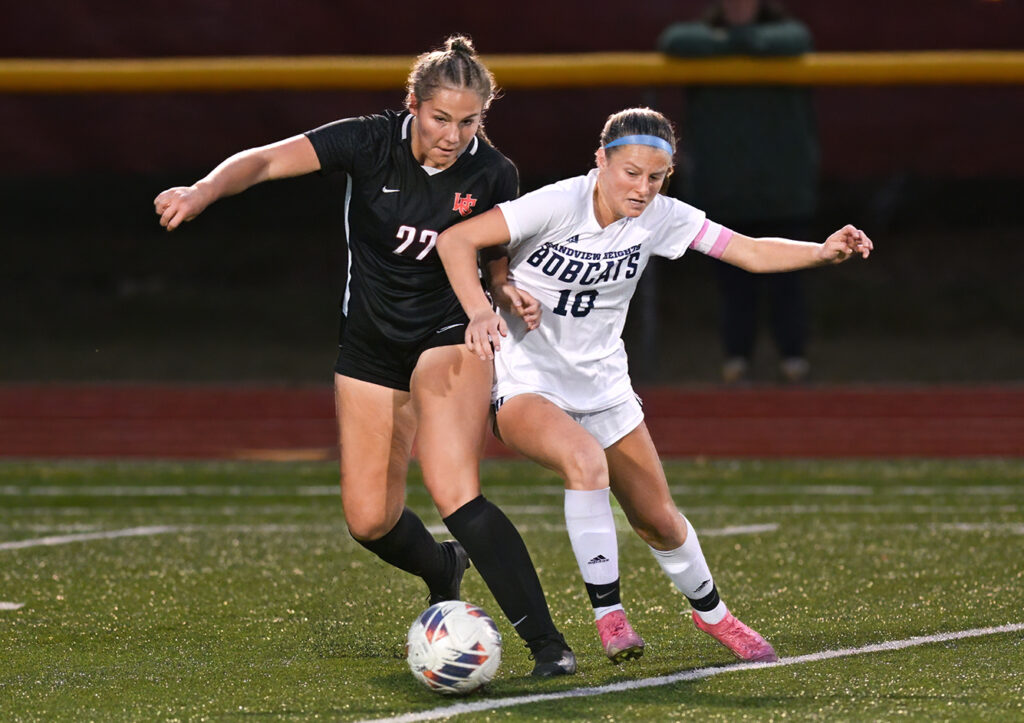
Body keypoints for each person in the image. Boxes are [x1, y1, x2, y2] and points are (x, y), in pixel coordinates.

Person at [153, 35, 576, 678]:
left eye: (469, 122)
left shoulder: (494, 173)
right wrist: (202, 191)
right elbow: (265, 161)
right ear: (412, 103)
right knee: (369, 518)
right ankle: (443, 568)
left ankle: (548, 646)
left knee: (455, 491)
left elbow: (493, 261)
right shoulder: (367, 141)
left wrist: (505, 290)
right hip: (371, 343)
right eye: (441, 118)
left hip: (448, 334)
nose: (453, 135)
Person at [436, 107, 871, 665]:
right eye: (631, 173)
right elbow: (456, 241)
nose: (643, 188)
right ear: (600, 162)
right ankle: (610, 617)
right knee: (585, 463)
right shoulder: (558, 203)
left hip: (605, 385)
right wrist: (484, 304)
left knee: (660, 521)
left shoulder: (661, 216)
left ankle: (716, 617)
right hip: (527, 379)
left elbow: (748, 250)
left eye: (656, 177)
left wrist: (822, 251)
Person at [658, 0, 819, 383]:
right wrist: (739, 41)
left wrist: (735, 41)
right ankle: (737, 360)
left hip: (783, 194)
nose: (738, 5)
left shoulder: (786, 38)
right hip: (725, 193)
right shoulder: (700, 40)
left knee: (788, 286)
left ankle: (793, 359)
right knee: (735, 290)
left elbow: (795, 39)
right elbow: (674, 40)